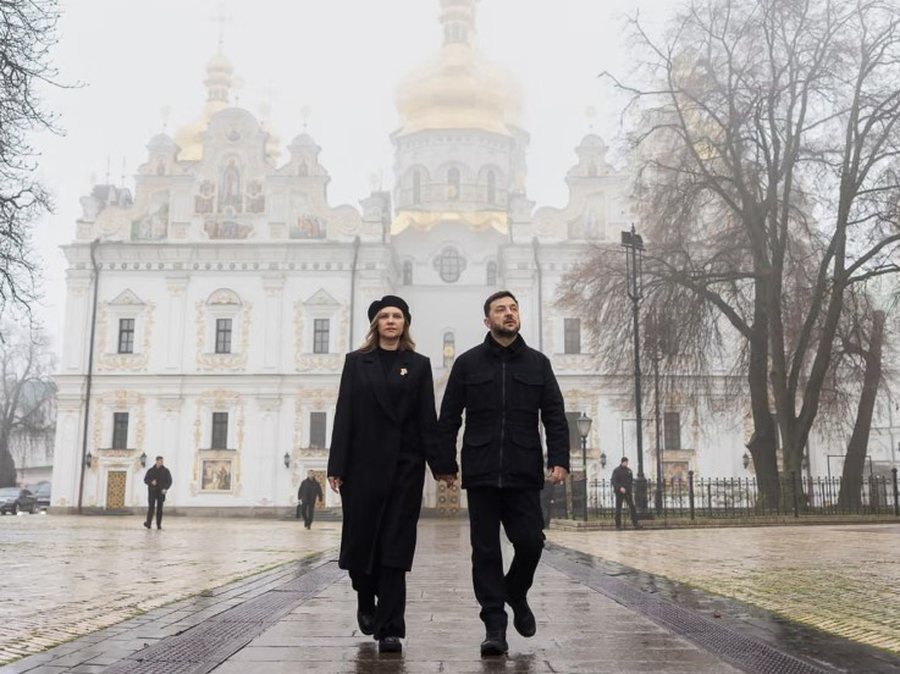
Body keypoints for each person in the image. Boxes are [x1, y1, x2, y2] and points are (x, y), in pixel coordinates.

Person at [437, 290, 570, 657]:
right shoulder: (467, 364)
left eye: (513, 308)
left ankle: (516, 589)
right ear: (487, 320)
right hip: (480, 471)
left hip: (523, 469)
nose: (509, 314)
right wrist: (445, 463)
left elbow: (555, 415)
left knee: (530, 542)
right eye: (501, 309)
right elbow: (449, 417)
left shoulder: (538, 364)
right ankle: (494, 624)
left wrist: (559, 458)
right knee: (485, 551)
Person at [327, 295, 457, 655]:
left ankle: (390, 628)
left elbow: (426, 420)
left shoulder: (417, 365)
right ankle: (364, 597)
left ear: (405, 323)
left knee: (394, 549)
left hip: (404, 469)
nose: (390, 321)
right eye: (384, 316)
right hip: (362, 469)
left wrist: (442, 465)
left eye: (397, 316)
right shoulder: (357, 363)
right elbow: (345, 415)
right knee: (361, 545)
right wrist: (336, 465)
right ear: (375, 324)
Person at [611, 457, 642, 530]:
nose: (626, 464)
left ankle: (635, 523)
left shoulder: (629, 471)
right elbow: (614, 481)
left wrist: (629, 489)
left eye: (627, 462)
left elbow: (630, 481)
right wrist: (620, 488)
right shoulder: (616, 470)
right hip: (619, 492)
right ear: (622, 462)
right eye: (625, 462)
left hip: (627, 492)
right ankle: (618, 525)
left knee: (632, 507)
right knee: (618, 508)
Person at [143, 456, 172, 530]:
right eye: (160, 461)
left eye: (162, 461)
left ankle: (158, 525)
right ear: (156, 461)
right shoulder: (150, 470)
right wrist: (151, 482)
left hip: (161, 492)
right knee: (151, 508)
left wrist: (165, 488)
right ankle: (148, 523)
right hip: (152, 492)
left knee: (159, 509)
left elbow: (169, 481)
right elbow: (145, 480)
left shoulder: (166, 471)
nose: (161, 462)